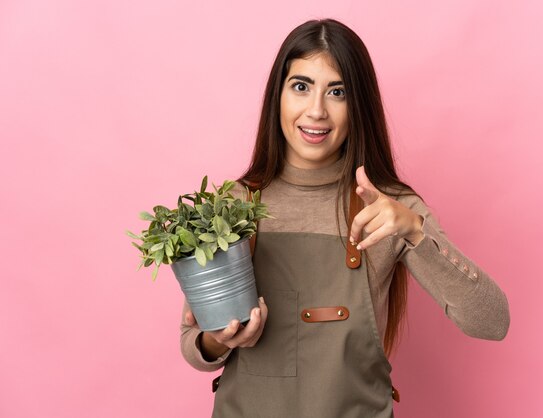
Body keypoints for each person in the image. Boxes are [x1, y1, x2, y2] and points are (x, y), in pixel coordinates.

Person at [180, 18, 510, 417]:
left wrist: (415, 232)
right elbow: (193, 341)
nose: (316, 111)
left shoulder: (390, 210)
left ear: (359, 105)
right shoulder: (233, 205)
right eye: (301, 86)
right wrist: (220, 340)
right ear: (278, 96)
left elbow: (492, 322)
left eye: (338, 92)